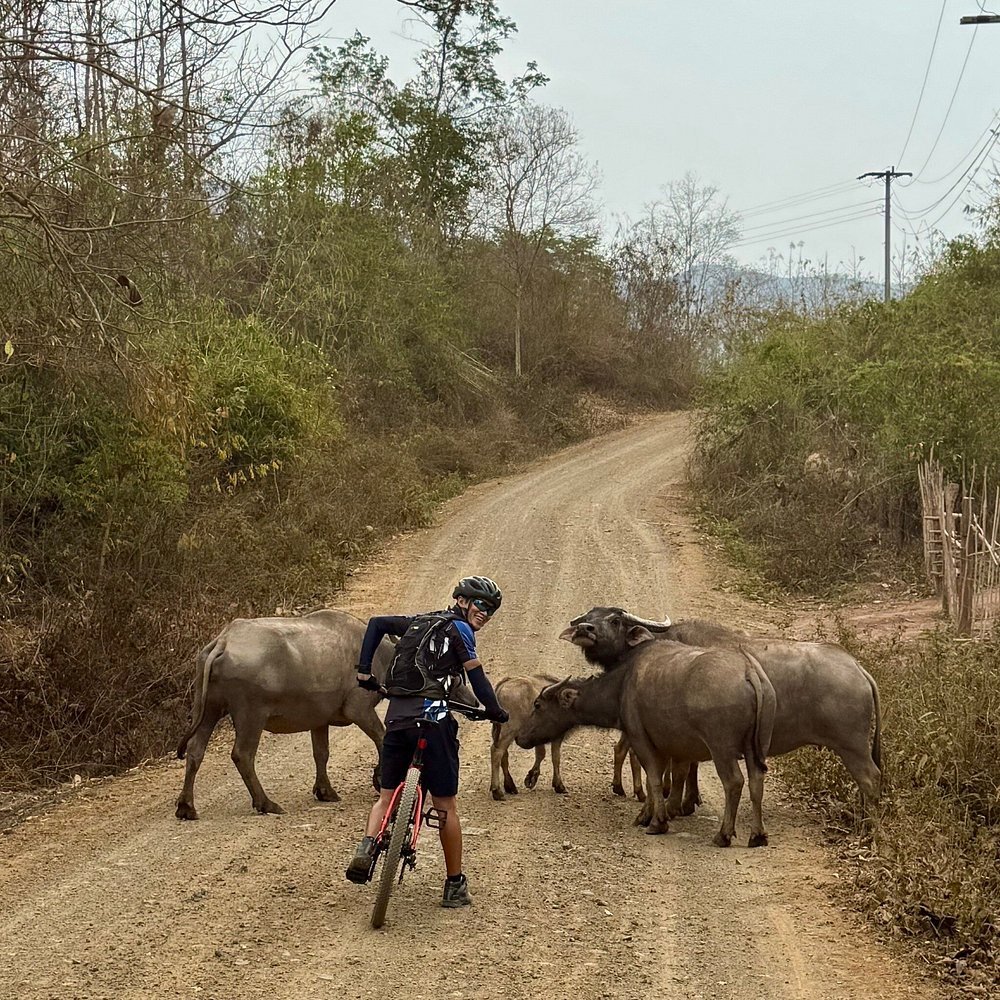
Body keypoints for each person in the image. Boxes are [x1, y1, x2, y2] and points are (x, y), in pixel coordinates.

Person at [345, 575, 509, 908]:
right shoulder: (459, 630)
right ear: (462, 601)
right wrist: (494, 710)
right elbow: (476, 676)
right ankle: (454, 885)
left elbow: (376, 624)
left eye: (491, 610)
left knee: (385, 795)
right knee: (446, 805)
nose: (486, 613)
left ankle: (367, 846)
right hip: (433, 723)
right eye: (481, 605)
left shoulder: (418, 623)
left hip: (397, 718)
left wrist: (364, 672)